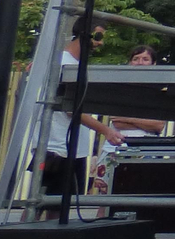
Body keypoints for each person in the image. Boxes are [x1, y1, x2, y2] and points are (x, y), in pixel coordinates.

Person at [40, 21, 125, 219]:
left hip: (68, 147)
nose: (100, 43)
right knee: (43, 203)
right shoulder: (64, 63)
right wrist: (106, 130)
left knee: (57, 204)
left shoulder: (75, 65)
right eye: (98, 37)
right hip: (57, 145)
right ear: (85, 34)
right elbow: (71, 108)